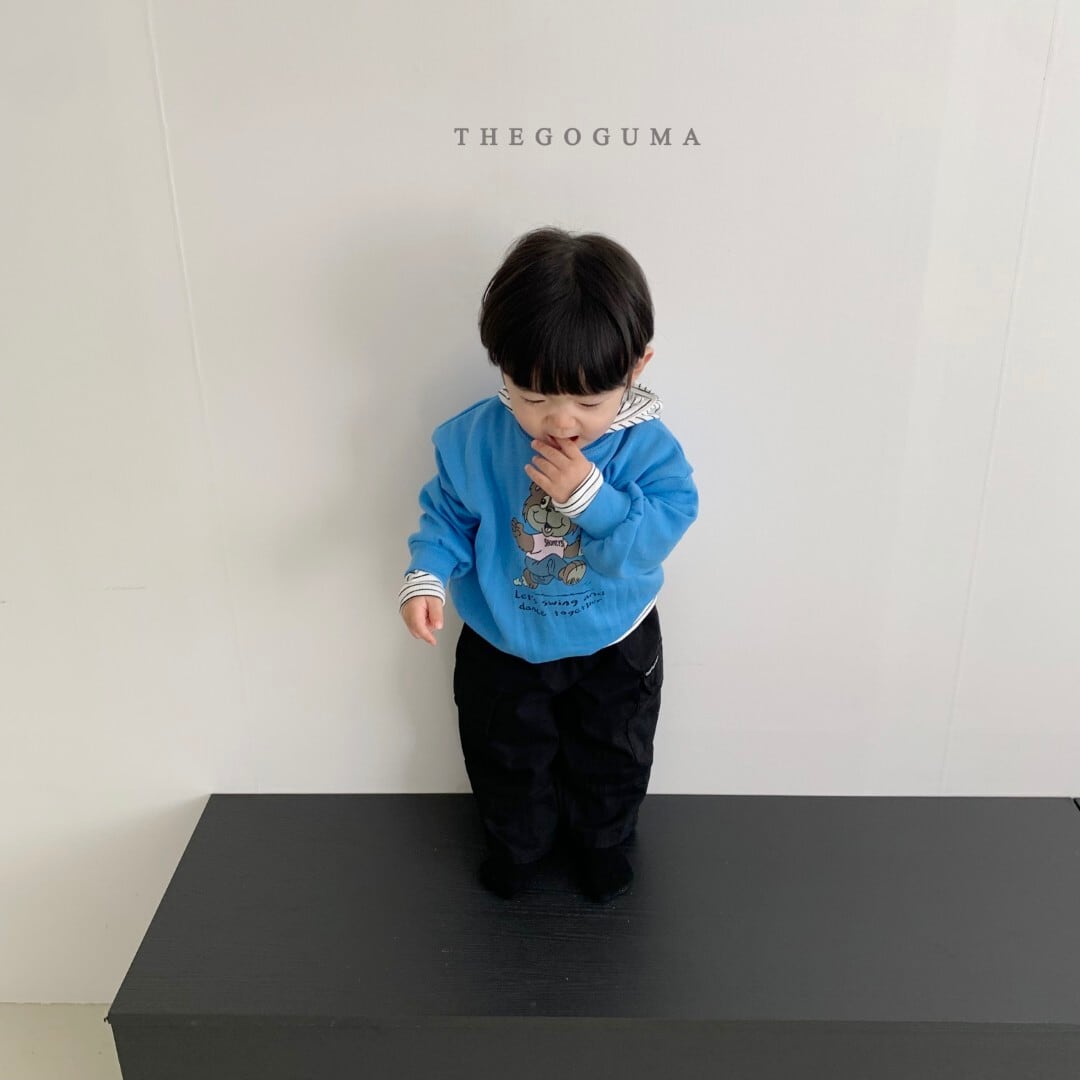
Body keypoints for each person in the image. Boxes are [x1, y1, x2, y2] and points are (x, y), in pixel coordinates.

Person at [398, 226, 699, 902]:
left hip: (614, 635)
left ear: (637, 367)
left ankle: (603, 842)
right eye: (533, 398)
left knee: (613, 751)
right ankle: (519, 846)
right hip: (503, 634)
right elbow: (449, 516)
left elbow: (657, 533)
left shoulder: (647, 449)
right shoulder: (473, 439)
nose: (560, 423)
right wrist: (428, 574)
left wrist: (591, 498)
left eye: (589, 403)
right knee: (504, 754)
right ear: (500, 364)